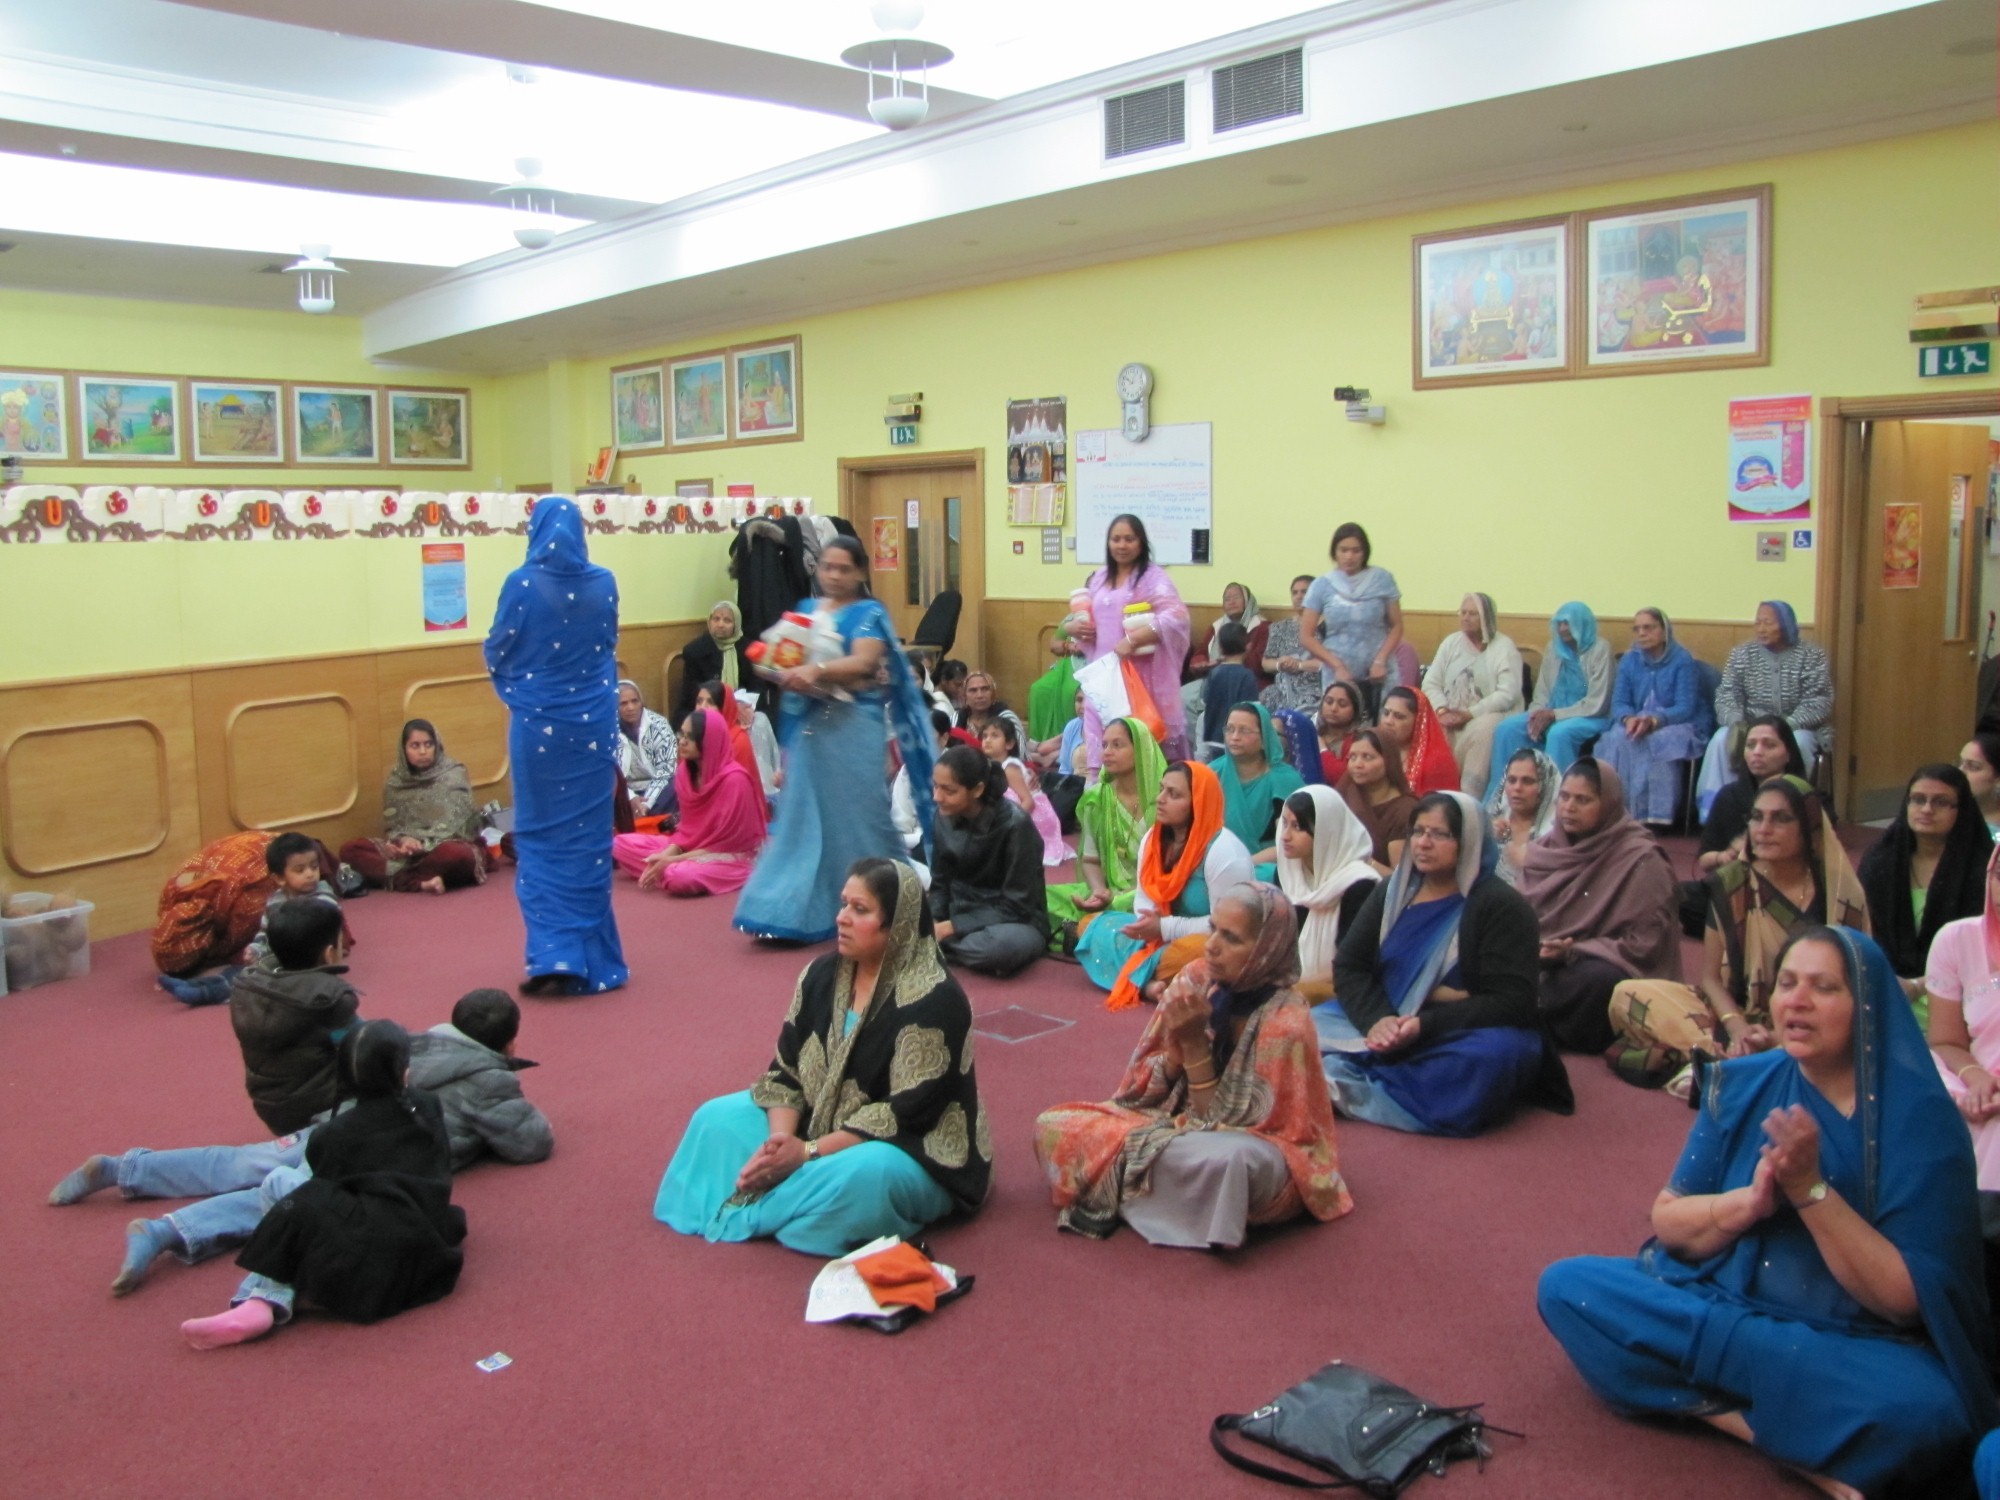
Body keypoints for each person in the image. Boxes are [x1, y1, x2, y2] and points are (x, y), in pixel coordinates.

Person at [1539, 928, 1995, 1500]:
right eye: (1786, 984)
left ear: (1868, 1008)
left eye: (1823, 987)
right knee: (1568, 1288)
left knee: (1925, 1414)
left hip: (1843, 1342)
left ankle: (1723, 1399)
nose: (1795, 1001)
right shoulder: (1746, 1082)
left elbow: (1903, 1298)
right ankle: (1759, 1429)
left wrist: (1809, 1191)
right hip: (1720, 1302)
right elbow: (1671, 1223)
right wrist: (1747, 1206)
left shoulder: (1918, 1120)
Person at [50, 988, 549, 1295]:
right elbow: (530, 1142)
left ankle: (128, 1169)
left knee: (242, 1161)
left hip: (331, 1125)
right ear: (507, 1042)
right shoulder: (490, 1079)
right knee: (279, 1199)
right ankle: (167, 1232)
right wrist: (510, 1075)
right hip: (369, 1149)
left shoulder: (416, 1041)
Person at [657, 860, 990, 1256]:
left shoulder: (937, 1000)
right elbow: (785, 1071)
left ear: (897, 924)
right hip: (816, 1121)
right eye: (843, 904)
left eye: (860, 910)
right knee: (714, 1120)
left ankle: (778, 1200)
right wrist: (781, 1139)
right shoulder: (821, 976)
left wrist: (807, 1152)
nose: (841, 918)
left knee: (867, 1177)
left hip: (909, 1146)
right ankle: (794, 1197)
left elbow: (905, 1115)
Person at [1033, 885, 1352, 1247]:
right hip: (1174, 1129)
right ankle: (1170, 1198)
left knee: (1231, 1165)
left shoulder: (1286, 1022)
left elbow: (1228, 1129)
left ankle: (1152, 1191)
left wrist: (1197, 1048)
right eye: (1212, 928)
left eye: (1231, 938)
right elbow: (1134, 1093)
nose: (1211, 945)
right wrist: (1176, 1055)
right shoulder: (1196, 978)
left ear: (1266, 951)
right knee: (1054, 1125)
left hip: (1252, 1149)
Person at [181, 1020, 466, 1349]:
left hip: (375, 1261)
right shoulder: (427, 1105)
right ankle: (263, 1298)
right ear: (402, 1071)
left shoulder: (335, 1133)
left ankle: (262, 1298)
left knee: (281, 1184)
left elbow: (315, 1201)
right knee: (308, 1195)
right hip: (427, 1242)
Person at [1318, 791, 1573, 1137]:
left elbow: (1512, 1002)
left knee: (1488, 1060)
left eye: (1439, 834)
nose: (1423, 843)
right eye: (1418, 832)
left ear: (1468, 841)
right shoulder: (1392, 892)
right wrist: (1378, 1021)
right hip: (1384, 1014)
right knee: (1300, 1028)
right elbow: (1350, 965)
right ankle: (1352, 1076)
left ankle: (1346, 1086)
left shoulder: (1502, 907)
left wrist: (1423, 1026)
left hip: (1458, 1029)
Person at [734, 536, 935, 943]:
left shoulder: (869, 613)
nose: (834, 575)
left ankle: (890, 901)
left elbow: (863, 662)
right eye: (827, 567)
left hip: (854, 724)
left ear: (860, 572)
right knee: (803, 816)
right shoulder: (806, 610)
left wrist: (818, 670)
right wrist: (777, 671)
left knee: (862, 816)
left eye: (844, 568)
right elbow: (780, 655)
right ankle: (792, 911)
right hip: (811, 725)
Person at [1609, 776, 1868, 1092]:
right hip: (1736, 1014)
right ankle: (1740, 1062)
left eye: (1780, 819)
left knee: (1845, 1031)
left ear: (1809, 828)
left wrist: (1775, 1033)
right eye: (1757, 817)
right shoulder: (1732, 883)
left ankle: (1719, 1064)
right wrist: (1738, 1027)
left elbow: (1855, 984)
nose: (1763, 829)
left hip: (1810, 1017)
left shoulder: (1839, 892)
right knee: (1629, 993)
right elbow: (1711, 979)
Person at [484, 497, 627, 996]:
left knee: (541, 838)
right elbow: (607, 645)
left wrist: (527, 685)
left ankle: (553, 953)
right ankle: (591, 956)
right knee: (588, 842)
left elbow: (498, 647)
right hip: (592, 729)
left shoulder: (521, 584)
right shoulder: (604, 582)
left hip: (539, 729)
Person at [1518, 759, 1683, 1055]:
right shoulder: (1548, 848)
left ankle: (1522, 1015)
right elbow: (1522, 916)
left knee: (1599, 982)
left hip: (1599, 965)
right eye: (1565, 797)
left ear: (1608, 804)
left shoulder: (1641, 858)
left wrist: (1572, 952)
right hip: (1544, 960)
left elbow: (1645, 946)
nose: (1569, 807)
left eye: (1583, 800)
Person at [1077, 761, 1255, 1009]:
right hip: (1156, 936)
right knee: (1089, 926)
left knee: (1200, 954)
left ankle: (1138, 977)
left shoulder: (1224, 852)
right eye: (1162, 789)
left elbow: (1225, 926)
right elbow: (1144, 899)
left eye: (1174, 794)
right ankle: (1150, 983)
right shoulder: (1153, 839)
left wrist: (1164, 927)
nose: (1160, 799)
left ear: (1198, 802)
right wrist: (1145, 924)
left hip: (1204, 939)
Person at [1856, 763, 1991, 1026]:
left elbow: (1981, 950)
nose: (1927, 809)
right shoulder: (1880, 862)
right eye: (1918, 800)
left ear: (1961, 810)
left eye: (1941, 802)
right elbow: (1863, 937)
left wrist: (1919, 985)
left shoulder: (1983, 870)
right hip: (1886, 990)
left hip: (1964, 996)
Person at [157, 832, 341, 1007]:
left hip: (304, 966)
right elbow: (265, 932)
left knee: (250, 981)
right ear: (279, 878)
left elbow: (328, 941)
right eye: (300, 870)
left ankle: (202, 994)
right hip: (278, 958)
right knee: (240, 970)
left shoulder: (323, 900)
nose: (310, 874)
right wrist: (256, 949)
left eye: (314, 867)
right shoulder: (275, 901)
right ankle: (192, 985)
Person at [1073, 513, 1193, 768]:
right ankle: (1101, 797)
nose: (1122, 545)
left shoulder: (1152, 577)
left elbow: (1177, 617)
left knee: (1138, 750)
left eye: (1129, 539)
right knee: (1099, 751)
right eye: (1116, 539)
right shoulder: (1099, 578)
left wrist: (1135, 639)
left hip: (1138, 678)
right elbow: (1087, 620)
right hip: (1102, 676)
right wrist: (1076, 628)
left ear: (1141, 543)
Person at [230, 899, 359, 1136]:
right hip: (323, 1109)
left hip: (272, 1112)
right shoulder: (328, 999)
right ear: (330, 954)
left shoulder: (248, 987)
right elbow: (361, 1049)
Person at [1696, 600, 1834, 821]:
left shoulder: (1811, 656)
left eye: (1768, 623)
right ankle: (1720, 814)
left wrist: (1784, 727)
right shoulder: (1742, 655)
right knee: (1721, 738)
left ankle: (1790, 810)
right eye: (1758, 622)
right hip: (1748, 725)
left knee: (1797, 743)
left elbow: (1819, 701)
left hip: (1795, 726)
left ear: (1786, 625)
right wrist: (1736, 722)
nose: (1761, 629)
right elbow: (1727, 693)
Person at [611, 708, 769, 898]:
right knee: (619, 844)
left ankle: (663, 872)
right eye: (681, 734)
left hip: (731, 856)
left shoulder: (735, 781)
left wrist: (670, 861)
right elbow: (687, 831)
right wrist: (667, 856)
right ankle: (661, 871)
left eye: (690, 737)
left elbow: (727, 845)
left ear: (709, 740)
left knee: (679, 875)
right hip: (690, 849)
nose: (682, 741)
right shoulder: (685, 774)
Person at [928, 745, 1051, 976]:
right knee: (894, 912)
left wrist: (951, 927)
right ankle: (936, 943)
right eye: (935, 786)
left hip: (1013, 921)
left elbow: (1018, 904)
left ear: (977, 790)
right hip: (959, 911)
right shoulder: (943, 817)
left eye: (948, 790)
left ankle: (935, 947)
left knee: (1000, 948)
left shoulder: (1016, 825)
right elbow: (940, 882)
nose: (937, 797)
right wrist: (935, 919)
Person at [1591, 609, 1714, 825]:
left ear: (1664, 631)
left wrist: (1654, 721)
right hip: (1636, 719)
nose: (1641, 633)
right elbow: (1619, 702)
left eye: (1648, 627)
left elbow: (1685, 707)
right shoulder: (1629, 661)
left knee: (1658, 741)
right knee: (1618, 738)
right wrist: (1628, 719)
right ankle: (1618, 812)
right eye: (1637, 628)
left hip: (1677, 721)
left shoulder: (1682, 660)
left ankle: (1656, 817)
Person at [1046, 716, 1164, 938]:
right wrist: (1099, 891)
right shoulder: (1097, 798)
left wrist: (1121, 896)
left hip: (1153, 890)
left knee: (1136, 904)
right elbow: (1091, 860)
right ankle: (1098, 924)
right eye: (1104, 745)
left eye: (1117, 745)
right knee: (1040, 898)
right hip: (1110, 890)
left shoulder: (1163, 799)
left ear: (1140, 749)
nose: (1107, 752)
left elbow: (1172, 869)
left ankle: (1090, 927)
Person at [341, 719, 489, 895]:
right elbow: (395, 828)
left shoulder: (453, 774)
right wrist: (403, 841)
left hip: (446, 847)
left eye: (428, 744)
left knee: (455, 855)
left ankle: (404, 880)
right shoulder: (396, 782)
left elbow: (462, 829)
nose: (423, 752)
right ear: (404, 750)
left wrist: (424, 845)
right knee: (351, 850)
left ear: (437, 745)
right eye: (415, 746)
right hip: (409, 856)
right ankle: (424, 881)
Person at [1926, 844, 2000, 1192]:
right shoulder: (1956, 940)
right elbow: (1945, 1042)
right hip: (1973, 1089)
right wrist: (1977, 1078)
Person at [1275, 786, 1379, 1002]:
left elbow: (1353, 964)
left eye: (1297, 827)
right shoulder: (1288, 875)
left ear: (1326, 832)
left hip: (1341, 993)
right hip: (1292, 989)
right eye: (1284, 823)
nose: (1285, 836)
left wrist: (1293, 990)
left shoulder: (1359, 885)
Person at [1488, 602, 1613, 778]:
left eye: (1567, 623)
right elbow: (1542, 693)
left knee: (1558, 733)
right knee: (1506, 729)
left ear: (1582, 623)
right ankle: (1501, 796)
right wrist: (1535, 716)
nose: (1562, 629)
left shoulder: (1600, 649)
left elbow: (1596, 703)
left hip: (1588, 716)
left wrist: (1555, 715)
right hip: (1550, 712)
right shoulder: (1553, 648)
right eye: (1559, 624)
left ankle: (1556, 797)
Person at [1421, 592, 1522, 798]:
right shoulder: (1451, 643)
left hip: (1486, 714)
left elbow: (1508, 693)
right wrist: (1441, 709)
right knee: (1434, 725)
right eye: (1463, 612)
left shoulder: (1503, 647)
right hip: (1449, 713)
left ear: (1486, 618)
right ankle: (1436, 796)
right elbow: (1430, 682)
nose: (1465, 618)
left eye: (1473, 614)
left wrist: (1470, 713)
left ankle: (1469, 797)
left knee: (1484, 729)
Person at [1298, 523, 1402, 714]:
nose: (1349, 556)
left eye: (1356, 550)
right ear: (1334, 552)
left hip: (1379, 672)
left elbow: (1396, 627)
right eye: (1343, 550)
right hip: (1338, 673)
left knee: (1383, 729)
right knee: (1339, 728)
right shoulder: (1322, 585)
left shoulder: (1382, 579)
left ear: (1365, 552)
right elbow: (1306, 636)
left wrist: (1380, 661)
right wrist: (1336, 665)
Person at [151, 831, 282, 979]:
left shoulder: (245, 906)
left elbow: (254, 945)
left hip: (271, 855)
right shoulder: (169, 896)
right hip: (255, 843)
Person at [1210, 702, 1304, 881]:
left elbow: (1290, 841)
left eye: (1244, 731)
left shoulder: (1285, 780)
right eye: (1230, 729)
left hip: (1269, 866)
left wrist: (1242, 865)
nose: (1234, 737)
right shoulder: (1211, 774)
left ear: (1264, 738)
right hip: (1215, 865)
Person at [981, 710, 1067, 867]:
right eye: (985, 736)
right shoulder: (992, 766)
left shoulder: (1010, 768)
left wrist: (1008, 827)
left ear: (1009, 743)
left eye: (995, 736)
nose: (987, 740)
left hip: (1035, 817)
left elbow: (1028, 801)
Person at [1182, 582, 1269, 727]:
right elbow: (1201, 653)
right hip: (1212, 676)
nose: (1231, 602)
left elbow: (1260, 662)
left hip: (1246, 678)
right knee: (1181, 698)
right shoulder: (1216, 626)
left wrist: (1229, 659)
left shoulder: (1262, 626)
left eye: (1236, 597)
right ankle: (1196, 744)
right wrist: (1202, 663)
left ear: (1248, 601)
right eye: (1227, 599)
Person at [1334, 729, 1415, 873]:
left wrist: (1363, 861)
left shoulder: (1404, 810)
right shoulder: (1347, 790)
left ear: (1389, 761)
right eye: (1352, 757)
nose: (1357, 764)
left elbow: (1398, 880)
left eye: (1367, 757)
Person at [1486, 747, 1559, 889]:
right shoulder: (1489, 823)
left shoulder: (1555, 834)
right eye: (1512, 780)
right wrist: (1486, 840)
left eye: (1528, 781)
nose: (1517, 788)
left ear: (1544, 785)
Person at [1377, 685, 1461, 797]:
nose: (1388, 721)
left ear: (1418, 721)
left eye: (1399, 717)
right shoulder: (1373, 749)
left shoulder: (1436, 763)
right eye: (1386, 713)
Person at [1259, 574, 1324, 717]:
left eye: (1304, 592)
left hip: (1315, 688)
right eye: (1295, 593)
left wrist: (1299, 665)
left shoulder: (1327, 628)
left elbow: (1330, 663)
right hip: (1282, 688)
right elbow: (1266, 663)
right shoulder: (1280, 628)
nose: (1299, 596)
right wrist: (1280, 664)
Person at [614, 680, 678, 822]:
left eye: (634, 701)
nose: (630, 707)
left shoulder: (659, 725)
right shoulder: (609, 729)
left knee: (677, 784)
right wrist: (631, 797)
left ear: (641, 702)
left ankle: (648, 820)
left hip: (657, 789)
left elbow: (666, 770)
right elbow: (612, 772)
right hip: (625, 790)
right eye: (623, 703)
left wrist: (646, 804)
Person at [674, 600, 746, 722]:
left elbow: (755, 687)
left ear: (736, 624)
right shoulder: (694, 651)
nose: (720, 624)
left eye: (727, 620)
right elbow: (692, 693)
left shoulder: (746, 649)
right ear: (709, 621)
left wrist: (744, 706)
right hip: (704, 707)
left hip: (741, 707)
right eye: (716, 619)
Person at [1198, 622, 1263, 750]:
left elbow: (1204, 701)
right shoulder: (1247, 675)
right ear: (1248, 646)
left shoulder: (1214, 673)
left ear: (1220, 648)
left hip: (1213, 738)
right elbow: (1252, 708)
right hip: (1238, 740)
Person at [1314, 680, 1366, 784]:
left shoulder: (1359, 741)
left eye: (1342, 704)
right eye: (1329, 702)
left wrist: (1322, 750)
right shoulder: (1311, 734)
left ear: (1355, 710)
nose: (1333, 708)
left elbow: (1343, 779)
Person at [1961, 733, 2000, 837]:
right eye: (1960, 763)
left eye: (1973, 767)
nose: (1961, 772)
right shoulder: (1950, 815)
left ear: (1998, 779)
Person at [957, 670, 1007, 739]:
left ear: (992, 693)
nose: (979, 695)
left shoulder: (1006, 718)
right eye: (973, 690)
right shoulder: (955, 720)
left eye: (985, 689)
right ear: (964, 695)